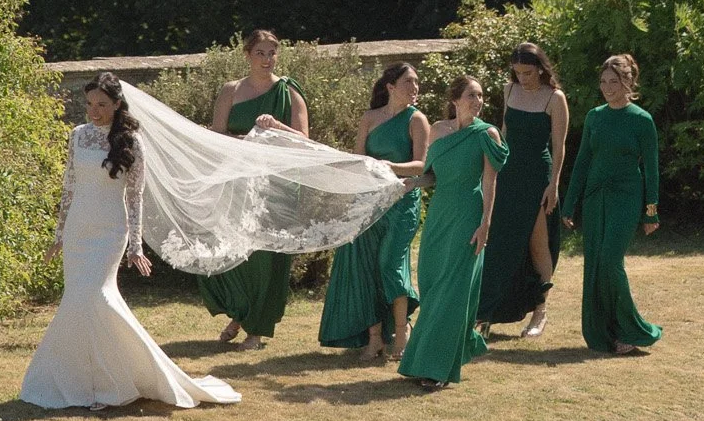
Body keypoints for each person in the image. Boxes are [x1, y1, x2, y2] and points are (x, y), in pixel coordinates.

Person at [21, 76, 242, 411]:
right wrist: (59, 234)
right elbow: (69, 186)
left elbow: (135, 196)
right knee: (78, 304)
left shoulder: (132, 142)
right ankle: (81, 382)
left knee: (97, 297)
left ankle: (127, 378)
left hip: (110, 230)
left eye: (102, 105)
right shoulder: (77, 135)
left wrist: (135, 245)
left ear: (117, 105)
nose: (94, 112)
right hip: (80, 229)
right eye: (90, 104)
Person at [201, 29, 310, 347]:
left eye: (271, 53)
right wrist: (249, 141)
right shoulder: (230, 91)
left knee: (265, 257)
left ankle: (257, 329)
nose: (266, 59)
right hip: (236, 184)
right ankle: (240, 312)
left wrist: (276, 128)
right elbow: (216, 136)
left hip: (276, 187)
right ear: (247, 55)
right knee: (234, 253)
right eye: (260, 53)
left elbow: (304, 141)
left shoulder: (289, 93)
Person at [398, 74, 505, 391]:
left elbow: (489, 182)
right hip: (439, 218)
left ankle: (438, 368)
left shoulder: (488, 134)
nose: (478, 101)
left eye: (481, 95)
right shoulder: (438, 130)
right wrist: (411, 184)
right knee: (432, 285)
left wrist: (485, 223)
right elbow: (431, 176)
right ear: (455, 99)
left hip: (468, 216)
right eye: (472, 95)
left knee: (453, 291)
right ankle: (429, 358)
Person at [318, 62, 429, 361]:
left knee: (390, 264)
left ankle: (402, 334)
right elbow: (358, 161)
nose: (415, 87)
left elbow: (421, 165)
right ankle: (375, 338)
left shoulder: (417, 120)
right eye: (409, 82)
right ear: (390, 87)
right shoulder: (369, 118)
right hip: (369, 203)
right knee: (363, 264)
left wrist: (389, 167)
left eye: (417, 82)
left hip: (402, 202)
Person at [560, 53, 661, 354]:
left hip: (626, 197)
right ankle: (603, 333)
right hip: (594, 197)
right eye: (603, 82)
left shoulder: (642, 120)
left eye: (613, 82)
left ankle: (632, 331)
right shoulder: (594, 116)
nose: (607, 87)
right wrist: (569, 204)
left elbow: (653, 168)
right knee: (595, 264)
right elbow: (582, 162)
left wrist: (651, 211)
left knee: (610, 262)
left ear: (628, 82)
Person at [479, 42, 570, 339]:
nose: (522, 78)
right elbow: (504, 133)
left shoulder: (555, 98)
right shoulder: (509, 91)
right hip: (508, 174)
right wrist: (492, 168)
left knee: (537, 244)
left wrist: (553, 184)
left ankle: (540, 311)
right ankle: (487, 312)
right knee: (500, 244)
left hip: (537, 177)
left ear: (541, 68)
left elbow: (560, 146)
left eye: (528, 72)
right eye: (517, 72)